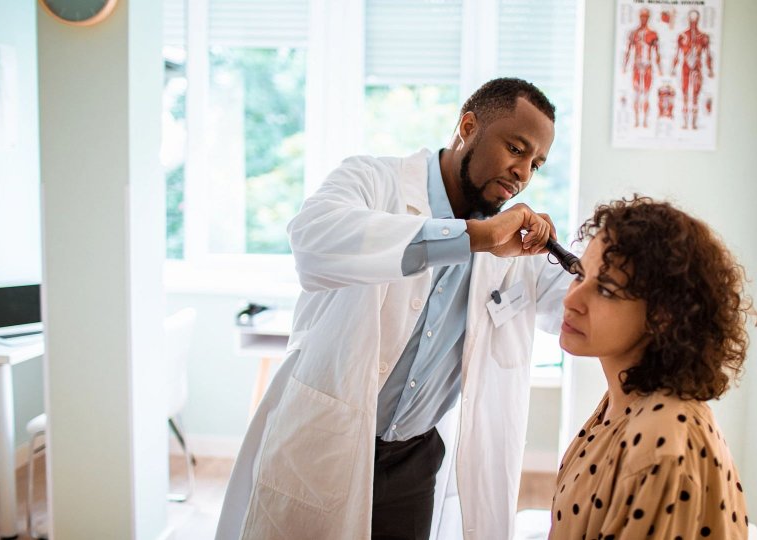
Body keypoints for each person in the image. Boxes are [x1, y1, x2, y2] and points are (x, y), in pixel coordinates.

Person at [216, 78, 574, 540]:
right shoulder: (371, 180)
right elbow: (312, 240)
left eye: (536, 164)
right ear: (467, 126)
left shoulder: (512, 243)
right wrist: (471, 239)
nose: (523, 172)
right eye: (516, 148)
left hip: (414, 462)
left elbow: (570, 302)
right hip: (329, 443)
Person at [550, 196, 756, 539]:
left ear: (662, 316)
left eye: (605, 290)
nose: (571, 300)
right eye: (579, 275)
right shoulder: (622, 399)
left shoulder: (662, 439)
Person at [671, 10, 714, 130]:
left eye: (695, 20)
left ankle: (693, 123)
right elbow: (677, 54)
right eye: (692, 20)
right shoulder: (682, 36)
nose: (693, 23)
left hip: (697, 68)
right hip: (685, 67)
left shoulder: (703, 37)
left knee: (695, 95)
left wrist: (710, 69)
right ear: (688, 20)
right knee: (685, 94)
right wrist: (673, 68)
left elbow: (708, 54)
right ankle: (685, 123)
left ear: (698, 20)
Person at [622, 7, 662, 129]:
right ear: (639, 17)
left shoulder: (653, 34)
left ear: (648, 18)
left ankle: (644, 120)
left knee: (646, 94)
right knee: (636, 93)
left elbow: (657, 52)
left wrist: (660, 68)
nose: (644, 19)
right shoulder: (633, 33)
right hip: (637, 66)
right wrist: (624, 66)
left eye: (646, 17)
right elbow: (628, 51)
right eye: (642, 16)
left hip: (648, 66)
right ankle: (636, 120)